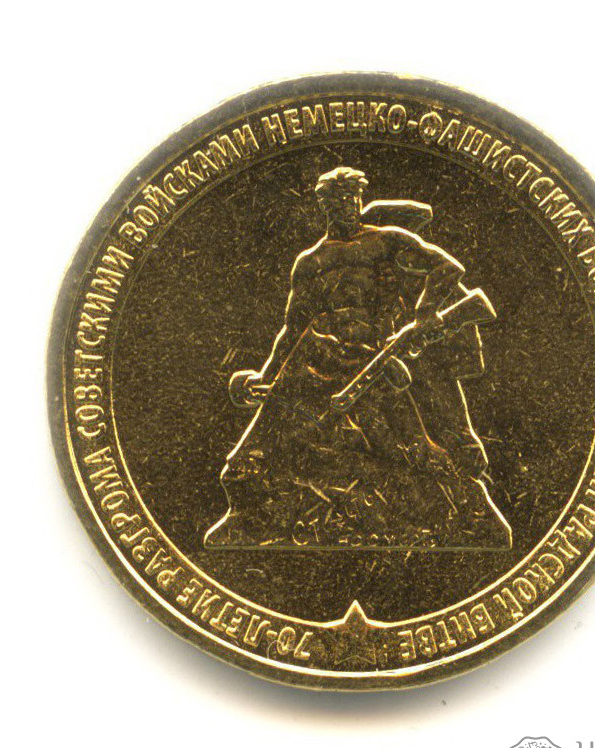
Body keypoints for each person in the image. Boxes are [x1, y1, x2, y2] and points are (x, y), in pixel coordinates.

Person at [203, 167, 511, 549]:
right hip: (319, 361)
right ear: (324, 206)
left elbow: (449, 267)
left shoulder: (386, 240)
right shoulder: (310, 261)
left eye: (352, 198)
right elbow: (293, 329)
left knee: (415, 449)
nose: (346, 206)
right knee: (253, 453)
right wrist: (267, 378)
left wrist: (425, 313)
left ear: (360, 200)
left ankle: (472, 513)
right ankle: (244, 516)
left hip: (375, 362)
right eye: (337, 200)